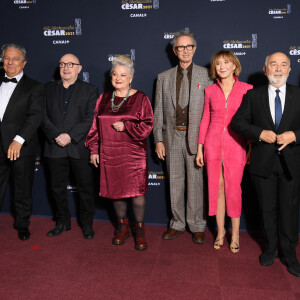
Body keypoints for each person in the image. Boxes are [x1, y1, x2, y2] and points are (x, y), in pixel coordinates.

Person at [231, 52, 300, 277]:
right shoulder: (254, 95)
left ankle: (289, 254)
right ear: (265, 69)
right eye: (273, 64)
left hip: (292, 163)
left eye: (283, 65)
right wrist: (260, 133)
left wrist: (295, 136)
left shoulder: (299, 94)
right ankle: (270, 249)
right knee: (267, 210)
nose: (278, 69)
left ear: (289, 70)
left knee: (289, 211)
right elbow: (238, 122)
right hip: (262, 164)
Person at [85, 56, 153, 251]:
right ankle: (122, 227)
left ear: (131, 78)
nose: (118, 78)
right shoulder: (104, 98)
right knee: (115, 193)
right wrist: (94, 149)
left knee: (137, 193)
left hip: (133, 153)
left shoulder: (140, 98)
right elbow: (94, 127)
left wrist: (127, 125)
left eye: (123, 75)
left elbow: (148, 124)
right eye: (115, 74)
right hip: (108, 152)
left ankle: (139, 230)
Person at [153, 30, 212, 243]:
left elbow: (211, 111)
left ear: (194, 49)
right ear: (174, 51)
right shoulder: (163, 78)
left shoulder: (207, 75)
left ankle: (196, 224)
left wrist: (205, 142)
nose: (185, 50)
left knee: (196, 182)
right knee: (175, 182)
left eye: (189, 47)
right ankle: (177, 223)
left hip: (197, 138)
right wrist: (158, 139)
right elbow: (158, 111)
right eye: (180, 47)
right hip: (172, 137)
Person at [196, 51, 252, 253]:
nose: (221, 66)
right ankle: (220, 232)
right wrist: (200, 148)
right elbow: (205, 120)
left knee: (233, 189)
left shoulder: (248, 89)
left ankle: (235, 234)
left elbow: (250, 122)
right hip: (212, 144)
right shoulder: (210, 90)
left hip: (236, 144)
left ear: (234, 65)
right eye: (218, 63)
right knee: (217, 188)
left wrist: (250, 147)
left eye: (226, 62)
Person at [41, 54, 98, 239]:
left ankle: (87, 225)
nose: (66, 67)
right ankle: (62, 222)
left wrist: (70, 136)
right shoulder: (47, 89)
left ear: (79, 68)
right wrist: (57, 135)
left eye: (71, 64)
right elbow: (42, 116)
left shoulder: (90, 90)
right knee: (57, 188)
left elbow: (90, 118)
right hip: (54, 146)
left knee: (85, 189)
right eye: (63, 64)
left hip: (79, 147)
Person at [0, 43, 44, 240]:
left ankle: (22, 224)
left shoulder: (34, 87)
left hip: (21, 147)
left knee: (23, 188)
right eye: (7, 58)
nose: (10, 62)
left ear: (24, 63)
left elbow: (35, 116)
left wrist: (18, 140)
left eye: (15, 58)